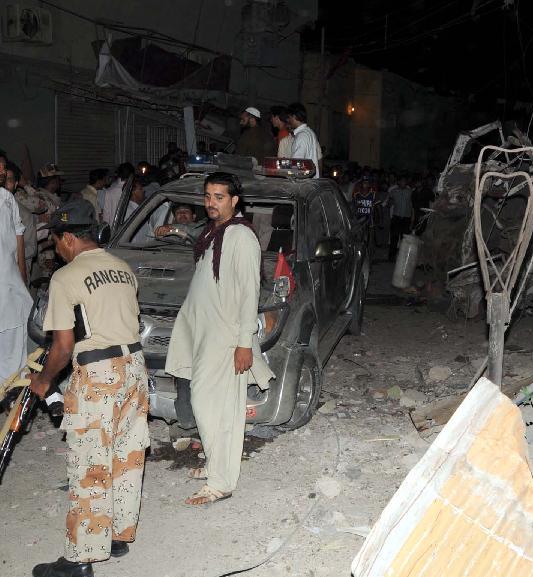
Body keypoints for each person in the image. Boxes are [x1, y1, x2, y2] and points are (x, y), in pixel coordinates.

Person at [27, 199, 149, 577]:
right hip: (135, 367)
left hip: (99, 373)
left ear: (67, 239)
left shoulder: (65, 278)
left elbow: (63, 345)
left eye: (56, 243)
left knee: (90, 462)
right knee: (126, 455)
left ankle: (81, 559)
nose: (56, 250)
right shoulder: (123, 268)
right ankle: (116, 535)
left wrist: (44, 380)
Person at [165, 172, 274, 505]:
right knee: (206, 405)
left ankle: (221, 482)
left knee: (215, 407)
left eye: (219, 197)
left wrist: (244, 342)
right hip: (204, 333)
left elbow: (248, 293)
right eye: (208, 196)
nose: (211, 203)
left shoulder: (241, 236)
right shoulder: (213, 232)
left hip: (226, 337)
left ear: (234, 200)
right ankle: (216, 464)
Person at [0, 158, 31, 383]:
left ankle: (11, 392)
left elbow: (18, 236)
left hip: (9, 282)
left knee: (15, 340)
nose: (3, 171)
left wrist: (22, 275)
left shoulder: (7, 198)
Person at [286, 102, 321, 177]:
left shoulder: (302, 136)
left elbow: (296, 165)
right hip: (310, 182)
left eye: (289, 117)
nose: (288, 120)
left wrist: (286, 174)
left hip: (304, 184)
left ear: (294, 116)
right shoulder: (310, 132)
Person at [388, 176, 414, 261]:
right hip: (396, 218)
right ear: (398, 182)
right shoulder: (393, 191)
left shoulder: (410, 192)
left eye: (404, 181)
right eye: (401, 181)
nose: (403, 182)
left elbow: (412, 206)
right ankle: (391, 257)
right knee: (394, 239)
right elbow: (389, 203)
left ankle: (403, 258)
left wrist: (412, 218)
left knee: (405, 240)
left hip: (406, 218)